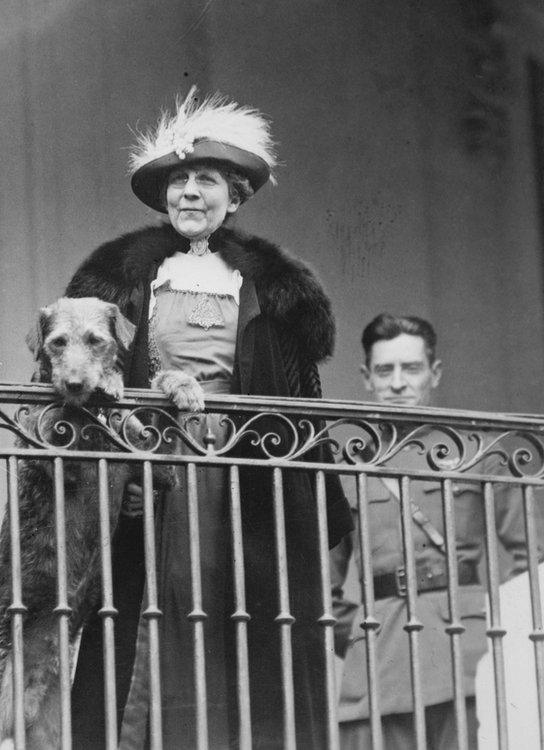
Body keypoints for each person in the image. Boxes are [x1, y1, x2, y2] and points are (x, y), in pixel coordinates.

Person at [65, 89, 354, 749]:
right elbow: (75, 383)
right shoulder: (117, 283)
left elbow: (300, 400)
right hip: (152, 479)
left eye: (206, 181)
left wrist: (320, 510)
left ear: (236, 196)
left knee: (249, 639)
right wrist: (112, 467)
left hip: (247, 481)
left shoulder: (278, 292)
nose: (190, 193)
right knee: (147, 638)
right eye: (179, 181)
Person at [331, 313, 533, 749]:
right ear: (367, 378)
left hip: (468, 651)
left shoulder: (480, 454)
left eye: (412, 368)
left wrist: (501, 627)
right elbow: (318, 588)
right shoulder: (348, 471)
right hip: (381, 660)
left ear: (434, 373)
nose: (398, 383)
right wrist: (364, 628)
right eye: (385, 370)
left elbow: (532, 559)